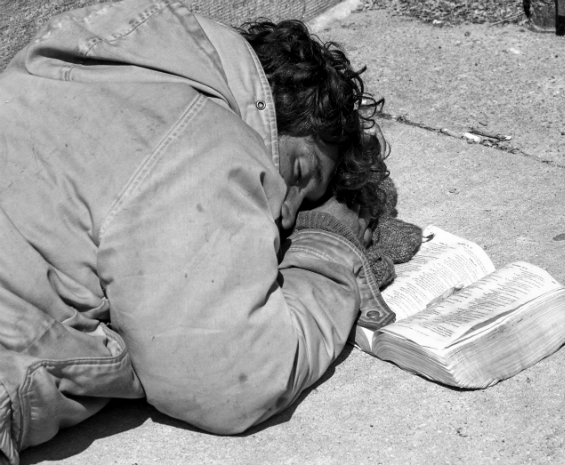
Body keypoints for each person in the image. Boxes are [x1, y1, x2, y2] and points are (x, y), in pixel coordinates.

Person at [0, 1, 396, 463]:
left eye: (304, 205)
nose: (288, 214)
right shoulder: (205, 141)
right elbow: (230, 381)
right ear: (273, 111)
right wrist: (328, 246)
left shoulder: (61, 64)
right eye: (298, 171)